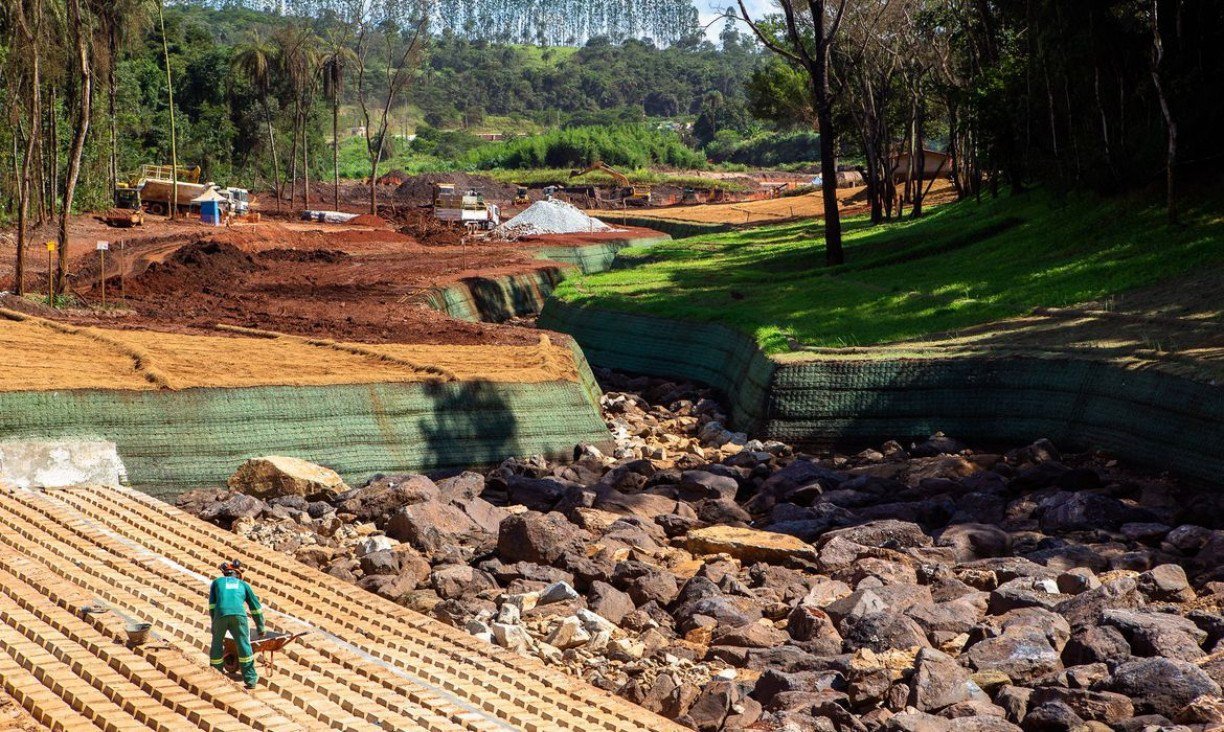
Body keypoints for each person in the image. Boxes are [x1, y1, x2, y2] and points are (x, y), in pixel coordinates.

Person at [208, 559, 265, 689]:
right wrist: (260, 627)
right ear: (238, 574)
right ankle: (250, 680)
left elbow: (212, 605)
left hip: (220, 615)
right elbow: (255, 607)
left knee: (216, 644)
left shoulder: (217, 583)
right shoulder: (243, 585)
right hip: (239, 616)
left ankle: (215, 675)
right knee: (244, 645)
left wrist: (214, 622)